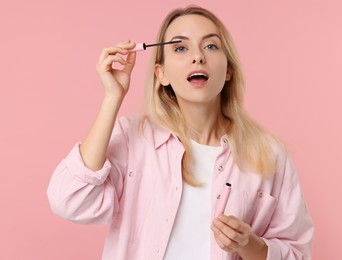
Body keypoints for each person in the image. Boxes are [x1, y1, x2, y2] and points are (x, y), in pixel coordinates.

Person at [47, 5, 314, 260]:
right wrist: (112, 98)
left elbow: (298, 253)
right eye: (180, 47)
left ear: (229, 70)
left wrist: (250, 245)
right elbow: (69, 200)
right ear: (161, 74)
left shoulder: (270, 154)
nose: (198, 56)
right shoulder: (132, 139)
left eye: (211, 46)